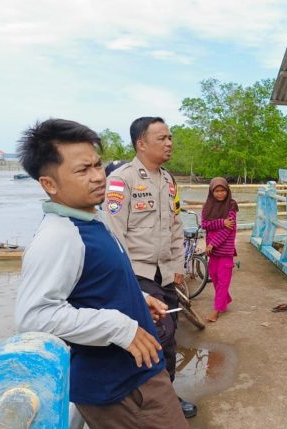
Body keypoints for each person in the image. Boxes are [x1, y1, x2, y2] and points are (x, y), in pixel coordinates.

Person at [14, 118, 188, 428]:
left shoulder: (92, 220)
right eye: (83, 170)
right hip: (120, 389)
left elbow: (99, 283)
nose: (98, 177)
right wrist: (119, 326)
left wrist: (139, 298)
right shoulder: (59, 236)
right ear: (49, 184)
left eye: (97, 165)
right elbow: (34, 316)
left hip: (137, 372)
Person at [102, 116, 199, 418]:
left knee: (170, 334)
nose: (169, 143)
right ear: (141, 143)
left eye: (170, 137)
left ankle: (165, 395)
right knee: (153, 335)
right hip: (137, 274)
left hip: (165, 274)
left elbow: (175, 225)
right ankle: (144, 400)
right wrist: (124, 281)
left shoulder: (169, 181)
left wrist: (177, 265)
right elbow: (114, 234)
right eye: (162, 138)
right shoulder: (121, 180)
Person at [201, 177, 239, 322]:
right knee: (214, 276)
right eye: (216, 191)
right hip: (213, 250)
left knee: (223, 280)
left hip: (225, 249)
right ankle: (225, 299)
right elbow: (205, 224)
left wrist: (213, 243)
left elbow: (228, 230)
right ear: (211, 192)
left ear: (227, 190)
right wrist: (221, 222)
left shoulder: (231, 205)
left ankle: (217, 310)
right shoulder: (207, 206)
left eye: (223, 190)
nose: (220, 194)